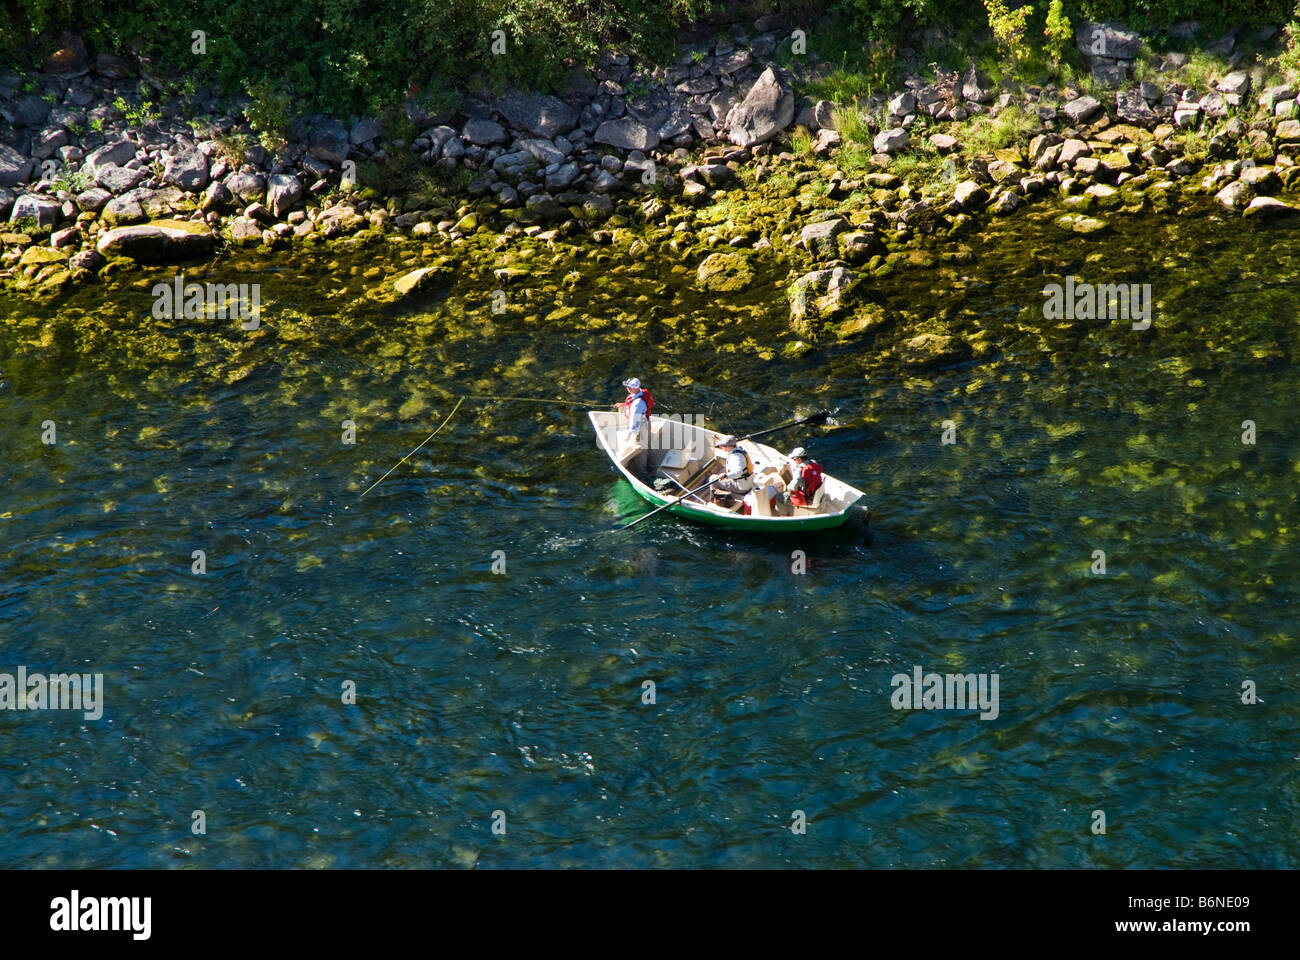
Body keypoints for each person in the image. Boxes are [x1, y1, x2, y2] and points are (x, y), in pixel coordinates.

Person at [708, 436, 754, 505]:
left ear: (730, 447)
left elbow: (738, 472)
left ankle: (715, 499)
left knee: (712, 478)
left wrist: (726, 476)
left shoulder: (735, 457)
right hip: (748, 482)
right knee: (723, 470)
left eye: (724, 446)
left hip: (741, 488)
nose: (721, 447)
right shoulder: (739, 450)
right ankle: (721, 492)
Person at [779, 446, 824, 511]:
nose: (793, 460)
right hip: (815, 493)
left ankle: (784, 515)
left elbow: (792, 487)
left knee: (780, 497)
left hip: (805, 498)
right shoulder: (813, 463)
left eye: (794, 459)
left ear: (799, 459)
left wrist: (788, 492)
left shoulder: (799, 470)